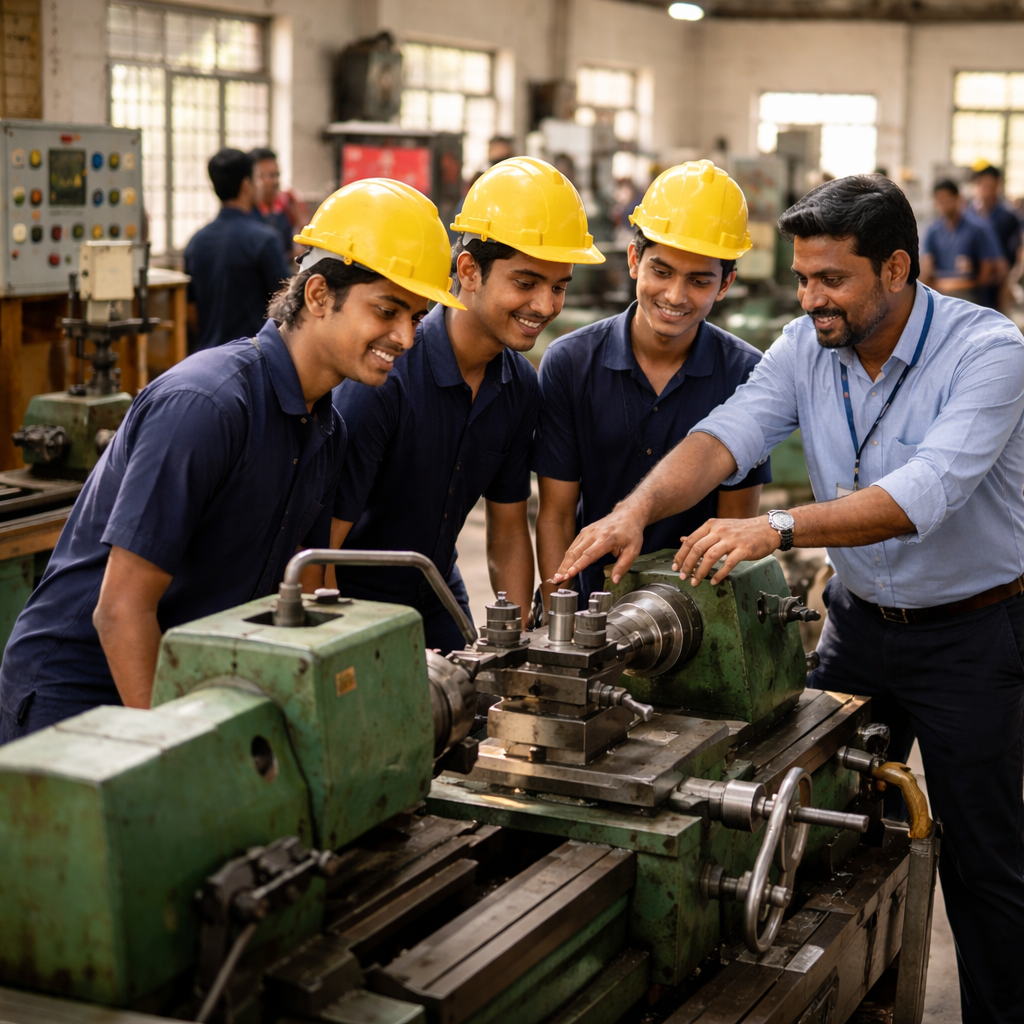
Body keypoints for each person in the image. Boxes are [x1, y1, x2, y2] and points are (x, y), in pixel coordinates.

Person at [551, 174, 1024, 1024]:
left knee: (983, 860)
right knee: (819, 827)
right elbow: (725, 437)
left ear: (896, 269)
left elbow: (927, 492)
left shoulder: (988, 351)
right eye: (803, 278)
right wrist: (635, 510)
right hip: (857, 629)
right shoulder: (808, 346)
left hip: (972, 637)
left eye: (831, 280)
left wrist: (777, 528)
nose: (811, 300)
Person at [0, 179, 462, 742]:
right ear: (319, 295)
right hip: (80, 691)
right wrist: (177, 756)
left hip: (188, 680)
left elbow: (308, 586)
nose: (407, 338)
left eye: (417, 317)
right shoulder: (207, 406)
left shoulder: (326, 427)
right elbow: (119, 611)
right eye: (388, 310)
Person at [326, 157, 605, 653]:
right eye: (525, 283)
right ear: (469, 270)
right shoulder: (386, 380)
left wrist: (518, 643)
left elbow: (508, 530)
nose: (545, 305)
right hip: (352, 602)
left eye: (558, 287)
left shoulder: (519, 386)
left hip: (435, 590)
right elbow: (322, 548)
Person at [534, 161, 770, 611]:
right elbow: (557, 515)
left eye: (699, 281)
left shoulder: (745, 374)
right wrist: (559, 615)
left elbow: (734, 526)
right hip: (591, 605)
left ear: (725, 284)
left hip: (697, 609)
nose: (675, 296)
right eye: (661, 271)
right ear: (633, 260)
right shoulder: (570, 363)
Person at [184, 148, 290, 352]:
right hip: (251, 356)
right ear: (246, 185)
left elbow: (191, 313)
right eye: (257, 178)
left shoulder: (196, 243)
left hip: (207, 356)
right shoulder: (264, 240)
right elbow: (286, 306)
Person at [919, 177, 1005, 306]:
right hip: (940, 296)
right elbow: (927, 267)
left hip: (970, 297)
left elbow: (987, 270)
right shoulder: (933, 231)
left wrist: (964, 284)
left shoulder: (977, 229)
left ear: (957, 198)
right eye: (939, 200)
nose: (942, 204)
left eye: (947, 199)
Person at [967, 163, 1023, 310]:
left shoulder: (1009, 218)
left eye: (990, 185)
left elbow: (1014, 252)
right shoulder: (968, 215)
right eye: (983, 185)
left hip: (999, 282)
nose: (986, 190)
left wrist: (1008, 279)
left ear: (998, 185)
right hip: (973, 281)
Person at [250, 146, 310, 261]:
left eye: (277, 175)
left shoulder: (286, 206)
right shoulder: (247, 213)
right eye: (271, 176)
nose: (276, 181)